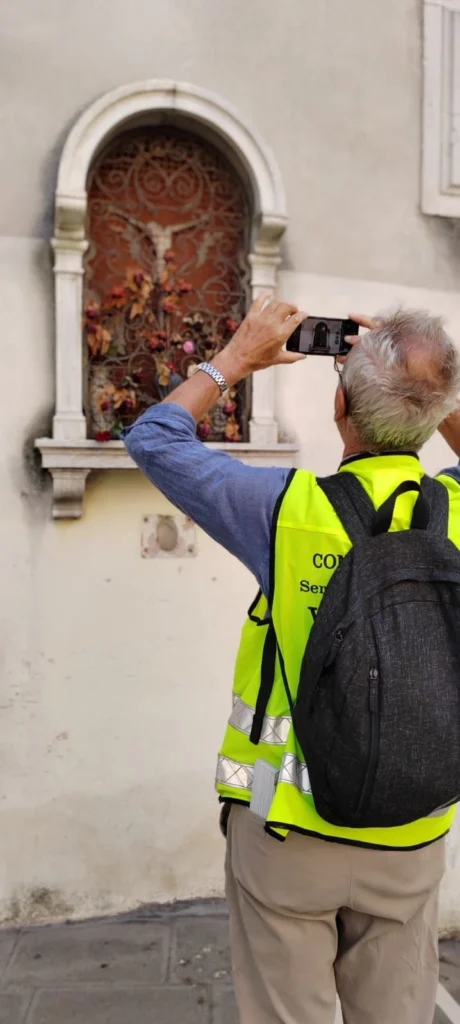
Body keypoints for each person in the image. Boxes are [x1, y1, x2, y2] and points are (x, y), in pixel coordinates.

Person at [123, 296, 460, 1024]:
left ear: (340, 403)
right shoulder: (456, 511)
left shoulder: (282, 509)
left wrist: (236, 356)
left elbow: (154, 438)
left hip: (287, 834)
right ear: (435, 421)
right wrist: (432, 397)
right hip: (411, 836)